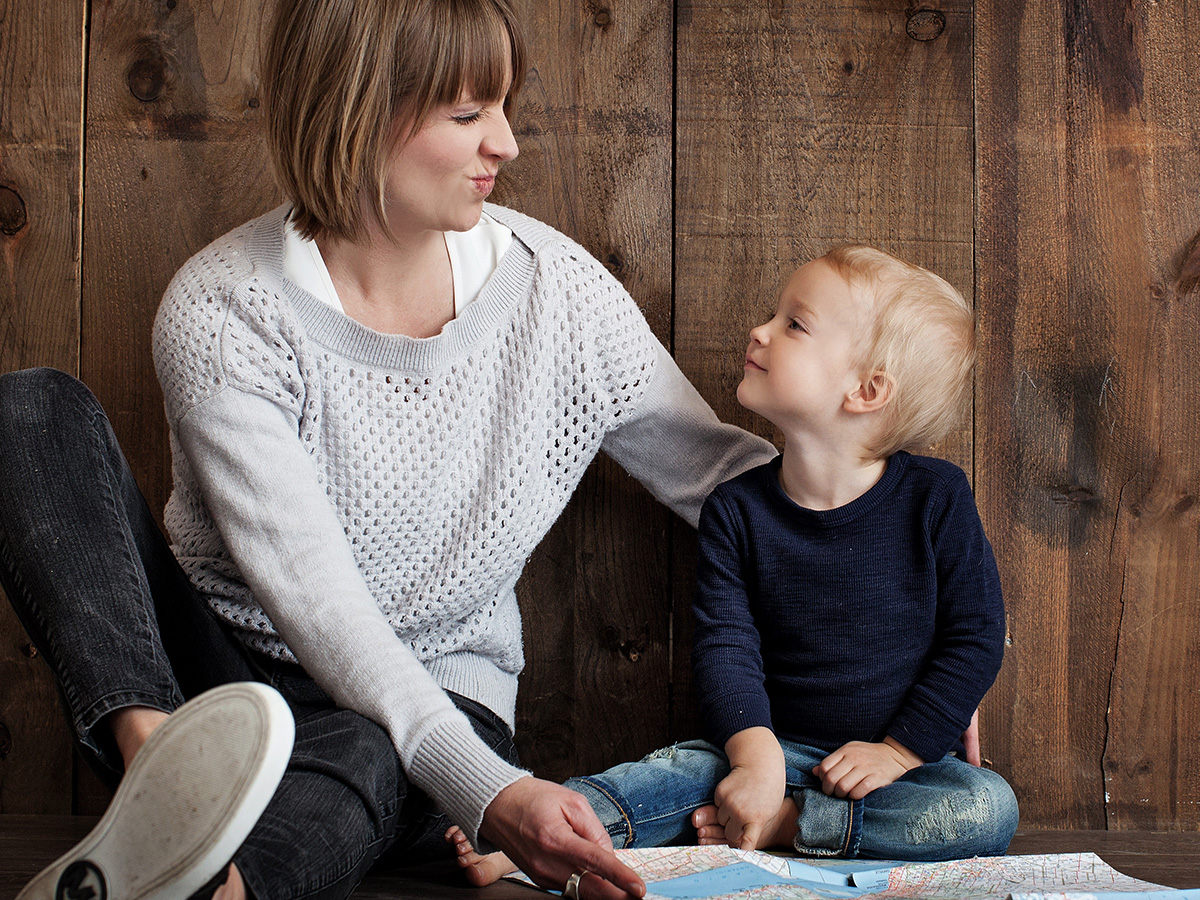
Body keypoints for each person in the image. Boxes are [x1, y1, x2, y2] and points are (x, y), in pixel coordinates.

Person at [0, 2, 777, 899]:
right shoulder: (224, 310)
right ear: (357, 110)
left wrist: (909, 568)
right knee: (29, 412)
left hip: (438, 710)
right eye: (468, 112)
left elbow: (727, 481)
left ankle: (211, 882)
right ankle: (163, 783)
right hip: (220, 690)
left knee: (375, 742)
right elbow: (316, 597)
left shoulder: (560, 297)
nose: (506, 143)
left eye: (504, 106)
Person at [448, 245, 1019, 884]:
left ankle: (792, 826)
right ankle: (542, 833)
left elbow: (975, 637)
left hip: (894, 773)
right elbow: (726, 647)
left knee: (986, 808)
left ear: (866, 390)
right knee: (674, 774)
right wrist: (755, 759)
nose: (761, 330)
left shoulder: (936, 499)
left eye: (794, 324)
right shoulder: (737, 509)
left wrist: (899, 751)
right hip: (771, 746)